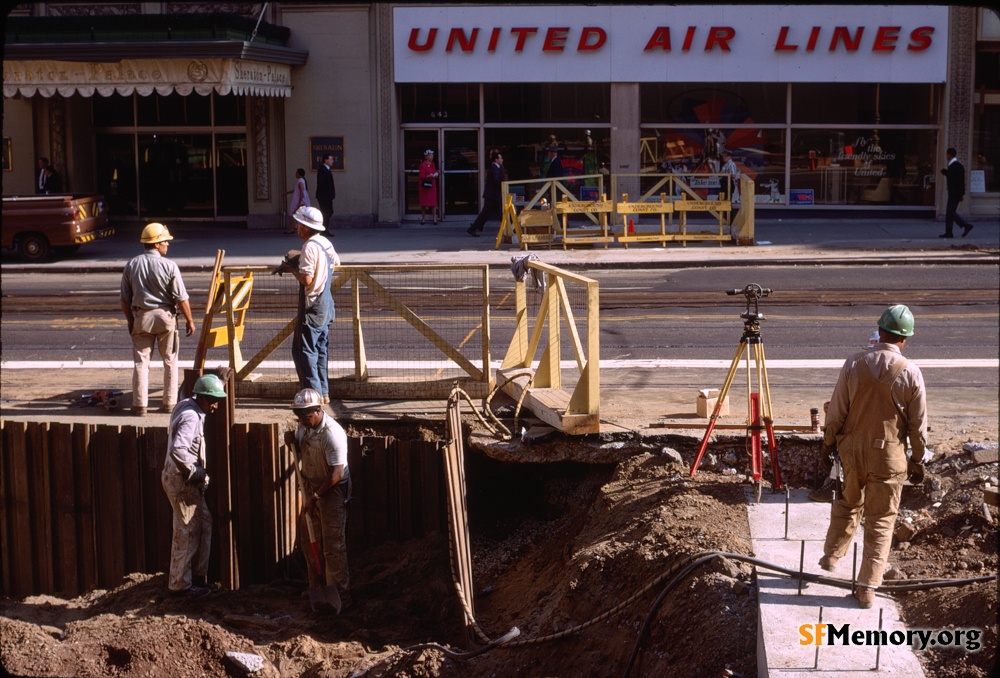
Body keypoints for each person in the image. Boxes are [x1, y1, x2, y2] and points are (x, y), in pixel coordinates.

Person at [817, 304, 928, 609]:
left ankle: (831, 556)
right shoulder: (911, 372)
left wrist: (828, 444)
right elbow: (918, 427)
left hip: (852, 451)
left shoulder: (853, 363)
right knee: (881, 520)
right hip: (889, 457)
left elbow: (837, 410)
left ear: (879, 332)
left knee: (846, 502)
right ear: (904, 340)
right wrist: (917, 459)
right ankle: (867, 588)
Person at [284, 388, 352, 611]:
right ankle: (316, 587)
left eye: (307, 415)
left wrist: (315, 497)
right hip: (311, 488)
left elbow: (336, 474)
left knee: (332, 544)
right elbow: (304, 454)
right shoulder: (304, 427)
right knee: (309, 540)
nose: (303, 419)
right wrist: (291, 442)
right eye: (299, 415)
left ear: (318, 410)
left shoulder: (332, 434)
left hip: (331, 490)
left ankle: (340, 591)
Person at [161, 373, 227, 597]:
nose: (216, 406)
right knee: (187, 531)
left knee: (203, 524)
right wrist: (195, 471)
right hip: (182, 481)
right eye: (214, 401)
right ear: (204, 398)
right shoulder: (191, 417)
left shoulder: (188, 404)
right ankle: (180, 586)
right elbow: (178, 450)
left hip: (180, 479)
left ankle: (197, 578)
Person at [120, 223, 195, 416]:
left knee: (141, 362)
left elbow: (124, 300)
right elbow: (181, 297)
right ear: (156, 244)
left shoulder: (132, 264)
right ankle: (169, 404)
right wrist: (190, 320)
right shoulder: (169, 266)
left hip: (141, 317)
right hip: (165, 317)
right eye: (165, 242)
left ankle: (139, 406)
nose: (167, 245)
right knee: (170, 360)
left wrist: (131, 322)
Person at [281, 206, 340, 403]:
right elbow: (337, 264)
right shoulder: (326, 243)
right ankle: (324, 393)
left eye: (299, 224)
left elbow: (306, 280)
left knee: (304, 352)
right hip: (327, 305)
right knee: (321, 350)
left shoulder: (309, 247)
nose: (297, 227)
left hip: (313, 305)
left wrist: (291, 269)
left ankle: (312, 398)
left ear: (306, 227)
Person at [467, 149, 506, 237]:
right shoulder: (495, 168)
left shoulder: (495, 167)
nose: (502, 160)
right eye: (500, 158)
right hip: (493, 196)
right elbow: (497, 181)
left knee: (490, 213)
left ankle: (475, 227)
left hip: (493, 196)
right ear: (496, 159)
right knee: (494, 213)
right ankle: (473, 228)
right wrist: (502, 184)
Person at [939, 147, 974, 238]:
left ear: (949, 155)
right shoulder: (957, 166)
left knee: (950, 211)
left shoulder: (954, 166)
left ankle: (966, 225)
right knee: (950, 212)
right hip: (955, 192)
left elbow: (955, 179)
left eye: (947, 154)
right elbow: (960, 180)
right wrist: (961, 193)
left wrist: (945, 172)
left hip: (954, 193)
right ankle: (949, 232)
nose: (947, 156)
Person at [285, 168, 311, 234]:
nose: (295, 174)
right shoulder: (301, 180)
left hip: (298, 201)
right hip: (299, 200)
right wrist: (286, 193)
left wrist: (300, 202)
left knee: (292, 214)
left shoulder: (300, 181)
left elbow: (301, 191)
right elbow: (296, 190)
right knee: (300, 215)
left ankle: (292, 229)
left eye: (296, 173)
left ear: (299, 174)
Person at [315, 154, 336, 232]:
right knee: (326, 212)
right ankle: (324, 230)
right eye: (331, 159)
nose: (332, 161)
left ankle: (324, 228)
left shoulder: (327, 169)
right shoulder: (322, 169)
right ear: (325, 160)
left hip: (327, 196)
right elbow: (321, 183)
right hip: (324, 196)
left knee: (329, 211)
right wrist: (327, 194)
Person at [418, 149, 439, 225]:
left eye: (432, 155)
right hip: (424, 186)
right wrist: (428, 176)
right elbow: (421, 175)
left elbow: (434, 172)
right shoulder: (423, 165)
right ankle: (423, 218)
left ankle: (435, 218)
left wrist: (436, 173)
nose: (432, 157)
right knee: (423, 203)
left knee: (433, 203)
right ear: (426, 156)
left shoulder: (433, 164)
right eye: (430, 155)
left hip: (432, 186)